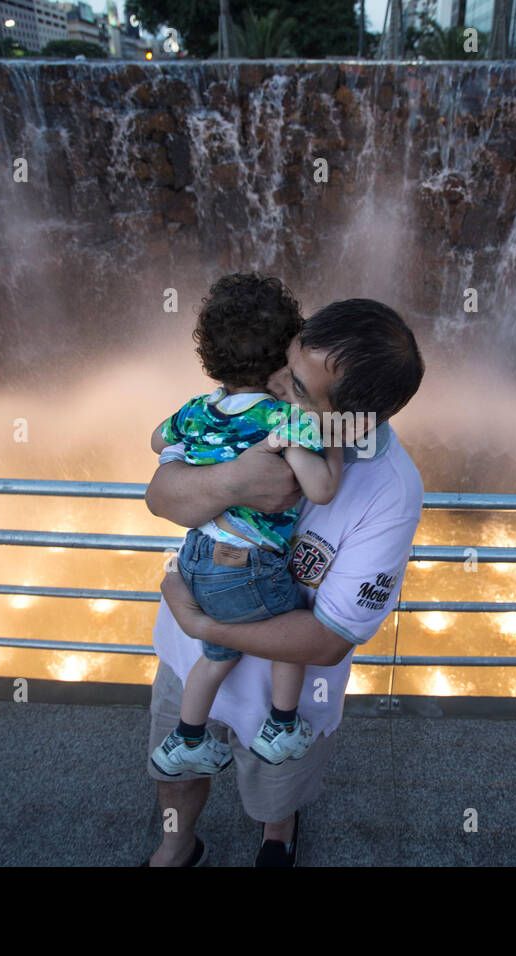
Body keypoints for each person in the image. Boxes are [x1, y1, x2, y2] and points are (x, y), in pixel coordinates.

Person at [142, 297, 425, 867]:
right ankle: (177, 846)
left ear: (351, 422)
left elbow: (327, 640)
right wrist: (233, 482)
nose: (273, 380)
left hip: (285, 693)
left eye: (295, 384)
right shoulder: (251, 407)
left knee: (277, 789)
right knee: (176, 772)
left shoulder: (392, 492)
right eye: (288, 360)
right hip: (186, 659)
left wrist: (203, 622)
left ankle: (278, 837)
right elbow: (159, 496)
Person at [148, 273, 345, 779]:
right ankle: (282, 726)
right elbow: (320, 489)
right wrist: (335, 442)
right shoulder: (286, 417)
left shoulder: (195, 412)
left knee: (216, 657)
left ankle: (185, 739)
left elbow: (154, 441)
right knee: (290, 636)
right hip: (248, 564)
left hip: (197, 555)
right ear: (286, 353)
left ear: (209, 356)